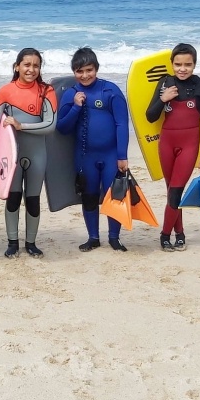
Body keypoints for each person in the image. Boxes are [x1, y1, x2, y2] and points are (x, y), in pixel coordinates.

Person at [0, 48, 58, 257]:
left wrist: (21, 126)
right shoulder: (6, 91)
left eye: (36, 65)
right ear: (17, 66)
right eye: (26, 64)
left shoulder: (45, 91)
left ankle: (30, 243)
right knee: (12, 198)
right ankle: (12, 242)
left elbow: (50, 125)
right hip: (11, 157)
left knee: (33, 199)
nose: (31, 69)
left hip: (37, 155)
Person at [55, 47, 130, 252]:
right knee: (88, 196)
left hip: (110, 154)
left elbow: (121, 124)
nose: (85, 75)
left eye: (89, 70)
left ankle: (114, 237)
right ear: (74, 72)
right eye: (80, 71)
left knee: (113, 196)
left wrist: (122, 155)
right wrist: (76, 107)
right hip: (85, 156)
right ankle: (93, 237)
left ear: (96, 69)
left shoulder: (110, 90)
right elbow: (62, 128)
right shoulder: (71, 94)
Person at [145, 42, 200, 252]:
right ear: (172, 64)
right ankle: (180, 233)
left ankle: (165, 235)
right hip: (166, 143)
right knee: (171, 191)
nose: (182, 69)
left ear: (194, 64)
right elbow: (150, 116)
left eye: (188, 64)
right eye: (178, 64)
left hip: (189, 145)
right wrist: (163, 99)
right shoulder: (165, 83)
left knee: (176, 190)